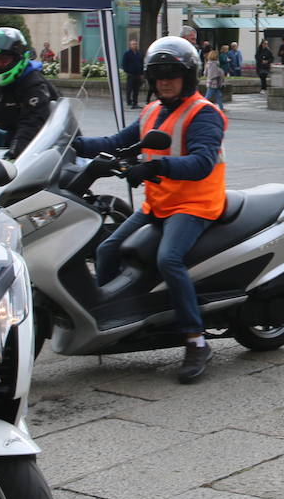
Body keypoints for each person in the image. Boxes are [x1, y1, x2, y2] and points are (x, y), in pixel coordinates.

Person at [71, 37, 227, 384]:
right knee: (107, 247)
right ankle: (111, 322)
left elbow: (202, 162)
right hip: (160, 203)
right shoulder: (152, 111)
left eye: (172, 75)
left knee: (168, 259)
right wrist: (70, 143)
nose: (165, 81)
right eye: (158, 76)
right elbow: (116, 143)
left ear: (188, 77)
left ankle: (196, 340)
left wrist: (156, 168)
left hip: (195, 203)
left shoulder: (204, 114)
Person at [0, 27, 60, 159]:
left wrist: (14, 154)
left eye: (4, 60)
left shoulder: (33, 84)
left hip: (47, 150)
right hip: (10, 144)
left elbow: (32, 123)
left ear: (18, 57)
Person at [122, 38, 144, 109]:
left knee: (136, 89)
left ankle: (135, 102)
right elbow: (124, 63)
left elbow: (141, 63)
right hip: (131, 73)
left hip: (138, 74)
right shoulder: (127, 53)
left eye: (135, 44)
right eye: (133, 44)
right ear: (130, 45)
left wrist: (141, 73)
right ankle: (129, 101)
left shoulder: (138, 53)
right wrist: (127, 71)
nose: (134, 45)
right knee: (129, 88)